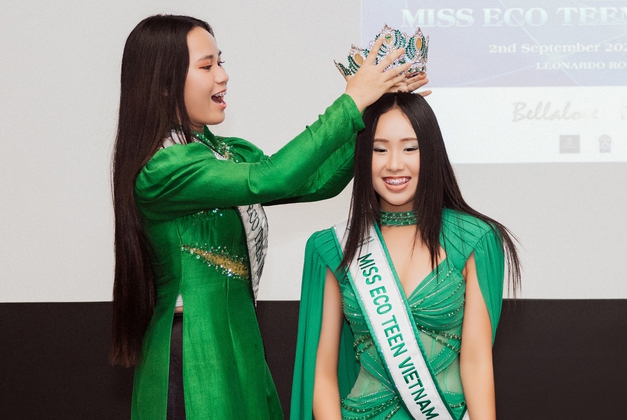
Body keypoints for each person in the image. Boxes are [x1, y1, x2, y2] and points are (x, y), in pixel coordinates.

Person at [109, 14, 428, 420]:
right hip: (194, 349)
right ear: (164, 84)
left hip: (239, 339)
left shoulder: (225, 153)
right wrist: (351, 101)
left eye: (221, 62)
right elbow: (271, 177)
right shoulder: (162, 168)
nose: (223, 76)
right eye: (207, 66)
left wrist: (374, 109)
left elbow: (314, 181)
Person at [291, 92, 521, 420]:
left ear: (432, 153)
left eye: (410, 148)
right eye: (379, 149)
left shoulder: (474, 240)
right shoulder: (333, 247)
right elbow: (322, 374)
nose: (394, 164)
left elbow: (476, 361)